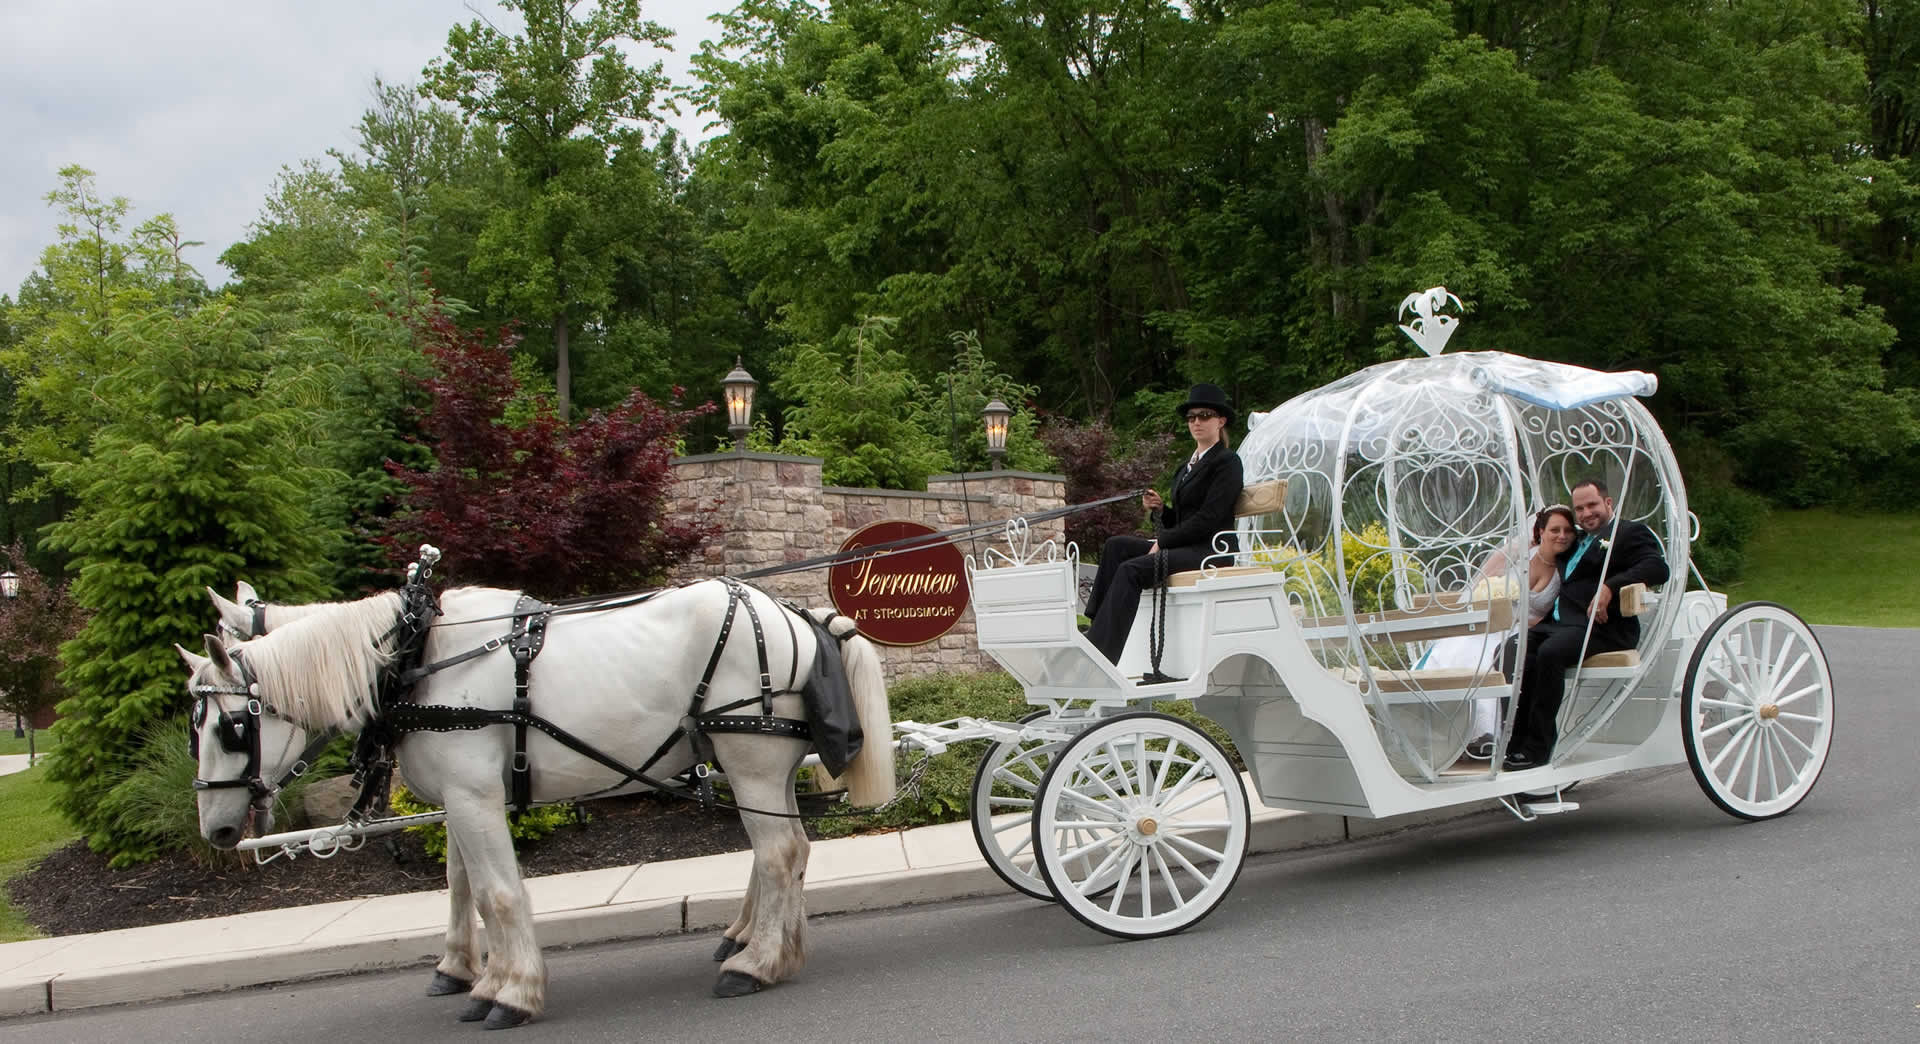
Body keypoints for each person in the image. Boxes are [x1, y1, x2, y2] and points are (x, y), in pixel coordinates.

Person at [1503, 477, 1669, 770]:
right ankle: (1513, 741)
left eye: (1592, 505)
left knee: (1551, 653)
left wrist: (1609, 587)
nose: (1586, 513)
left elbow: (1657, 567)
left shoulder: (1628, 533)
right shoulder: (1575, 539)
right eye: (1579, 509)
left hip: (1603, 627)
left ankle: (1538, 747)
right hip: (1560, 623)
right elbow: (1548, 546)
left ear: (1608, 502)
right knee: (1512, 649)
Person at [1083, 383, 1245, 667]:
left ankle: (1102, 653)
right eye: (1191, 417)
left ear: (1221, 421)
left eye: (1205, 415)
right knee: (1115, 546)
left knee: (1131, 570)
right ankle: (1094, 628)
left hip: (1211, 551)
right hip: (1186, 546)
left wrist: (1163, 541)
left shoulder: (1227, 462)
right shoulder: (1185, 468)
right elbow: (1182, 519)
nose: (1196, 422)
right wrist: (1161, 509)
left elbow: (1209, 518)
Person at [1430, 505, 1578, 759]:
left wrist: (1521, 623)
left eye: (1568, 530)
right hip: (1493, 623)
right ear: (1541, 531)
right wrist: (1492, 602)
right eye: (1555, 530)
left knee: (1504, 657)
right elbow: (1481, 581)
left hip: (1526, 631)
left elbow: (1549, 615)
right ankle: (1457, 732)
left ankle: (1494, 736)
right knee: (1470, 653)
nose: (1562, 536)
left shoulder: (1567, 569)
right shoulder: (1521, 552)